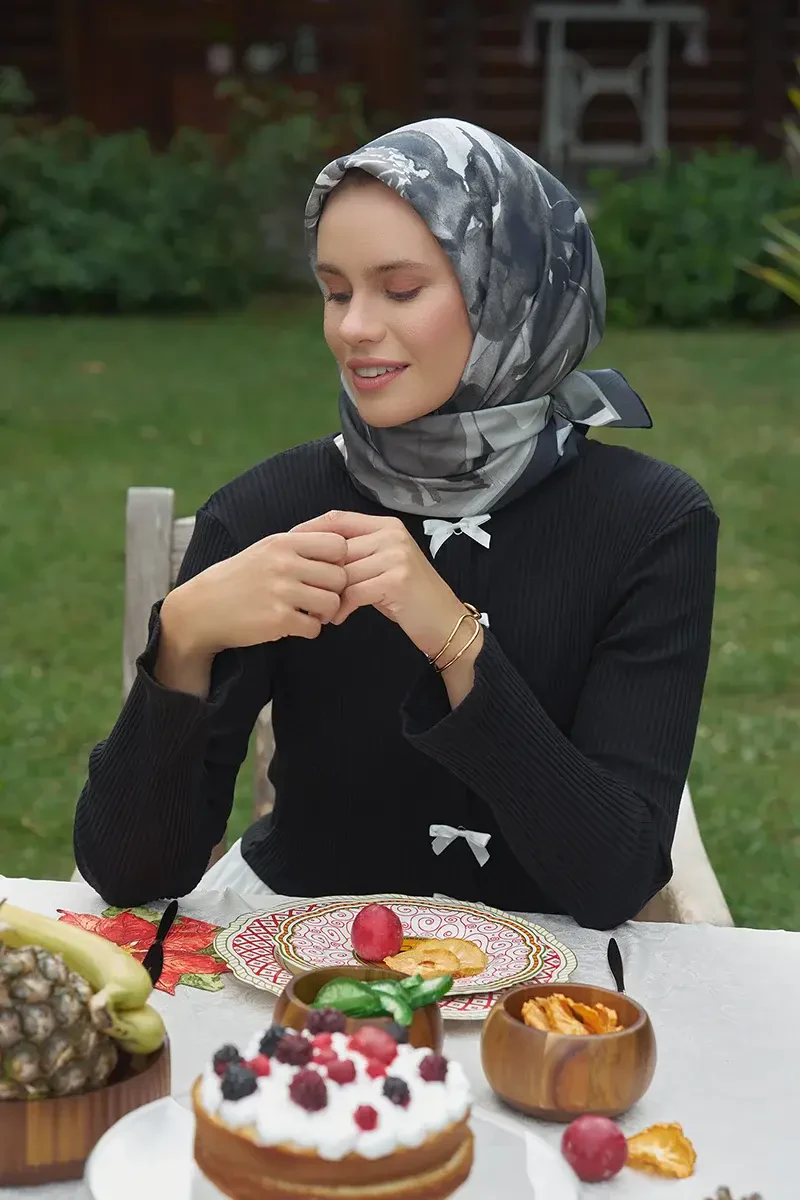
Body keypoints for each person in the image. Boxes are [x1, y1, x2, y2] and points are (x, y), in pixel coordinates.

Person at [74, 118, 718, 929]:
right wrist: (183, 637)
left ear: (510, 291)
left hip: (554, 985)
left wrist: (454, 638)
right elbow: (128, 873)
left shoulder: (652, 524)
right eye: (336, 291)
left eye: (401, 289)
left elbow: (614, 880)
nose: (352, 328)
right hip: (291, 961)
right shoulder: (267, 511)